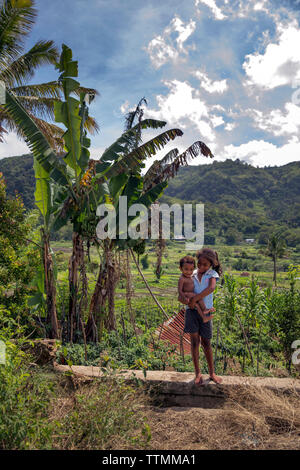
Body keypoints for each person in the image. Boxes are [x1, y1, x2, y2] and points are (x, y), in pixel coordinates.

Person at [178, 248, 223, 385]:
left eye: (205, 264)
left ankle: (212, 373)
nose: (202, 267)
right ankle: (197, 373)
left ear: (211, 264)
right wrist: (186, 300)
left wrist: (195, 298)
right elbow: (182, 292)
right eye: (200, 264)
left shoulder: (212, 274)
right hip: (191, 312)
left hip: (206, 311)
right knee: (195, 342)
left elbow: (211, 288)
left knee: (206, 343)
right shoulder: (191, 272)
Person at [178, 255, 215, 323]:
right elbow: (180, 290)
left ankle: (204, 317)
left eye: (191, 270)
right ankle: (205, 310)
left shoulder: (191, 276)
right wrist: (184, 297)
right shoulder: (182, 278)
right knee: (199, 298)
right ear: (180, 268)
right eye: (186, 269)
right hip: (186, 295)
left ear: (194, 269)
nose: (189, 272)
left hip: (190, 295)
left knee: (197, 305)